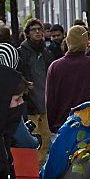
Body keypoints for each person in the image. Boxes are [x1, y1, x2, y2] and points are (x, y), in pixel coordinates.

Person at [17, 19, 56, 162]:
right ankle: (34, 169)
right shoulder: (21, 53)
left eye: (40, 29)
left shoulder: (46, 52)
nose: (38, 32)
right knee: (34, 139)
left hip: (45, 102)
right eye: (33, 30)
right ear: (27, 33)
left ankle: (40, 169)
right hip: (30, 103)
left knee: (46, 138)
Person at [45, 25, 90, 133]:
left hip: (62, 125)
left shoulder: (55, 67)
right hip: (89, 124)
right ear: (86, 43)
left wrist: (52, 125)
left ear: (68, 41)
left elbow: (50, 100)